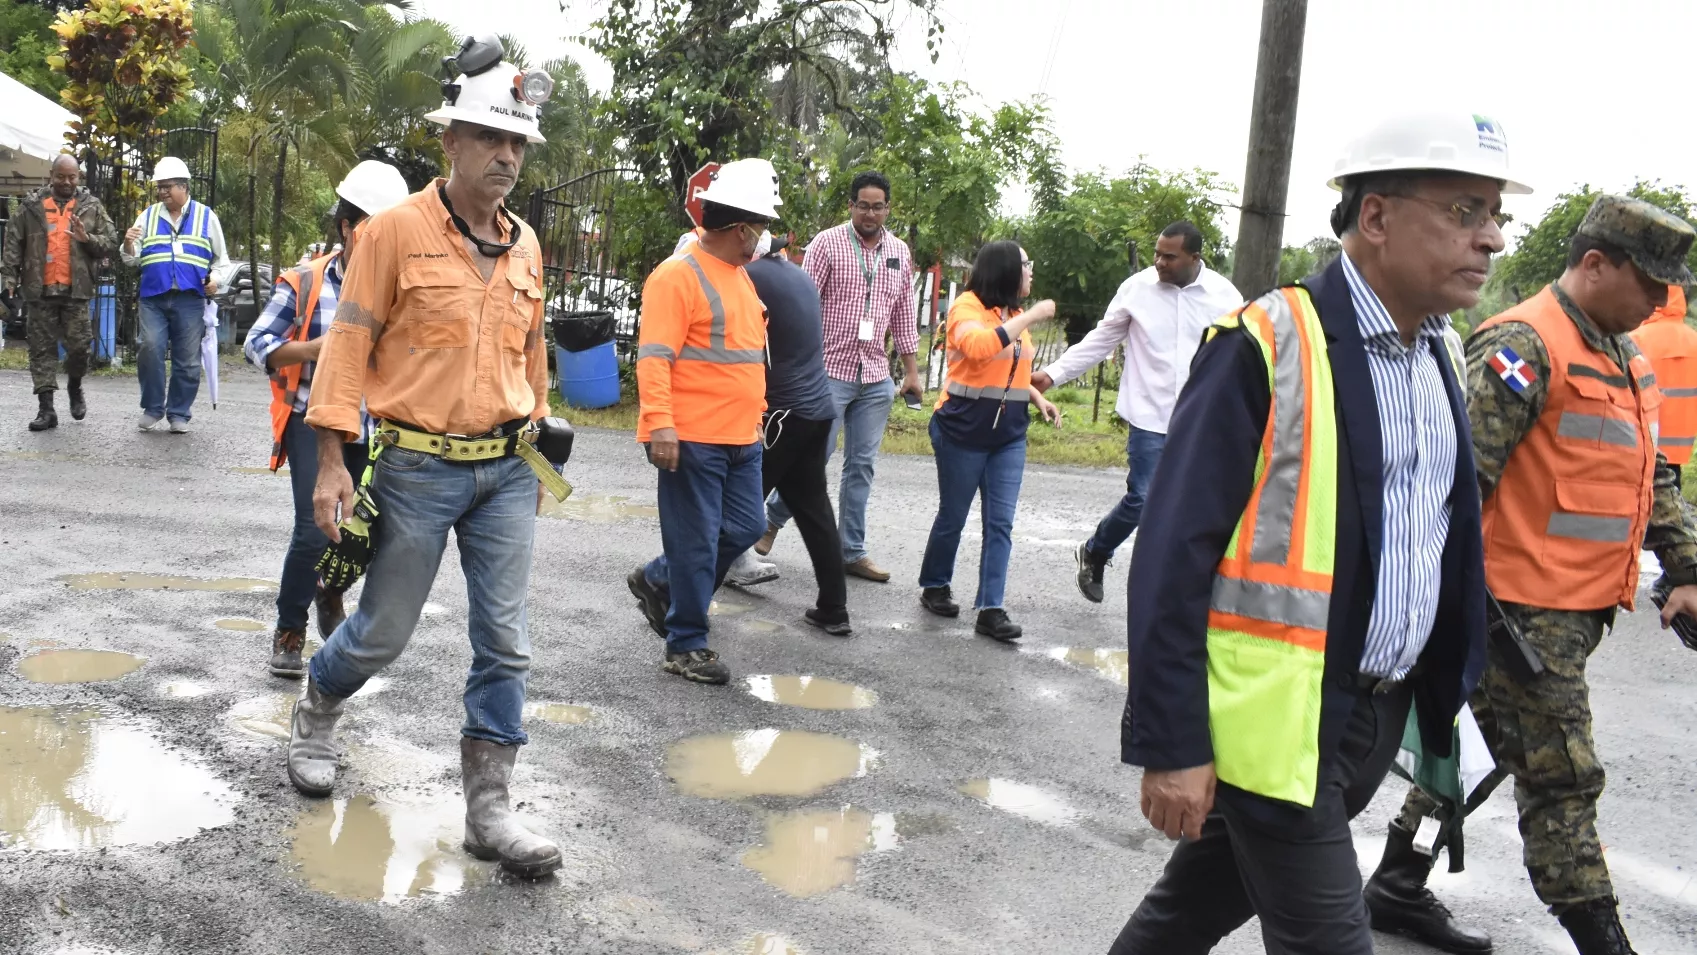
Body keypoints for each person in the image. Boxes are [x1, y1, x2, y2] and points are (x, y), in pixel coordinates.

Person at [1108, 109, 1520, 955]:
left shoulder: (1438, 355)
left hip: (1367, 718)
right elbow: (1171, 555)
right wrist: (1173, 742)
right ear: (1374, 217)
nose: (1491, 239)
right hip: (1276, 728)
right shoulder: (1265, 343)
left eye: (1494, 215)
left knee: (1180, 920)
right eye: (1463, 211)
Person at [1364, 197, 1697, 955]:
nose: (1659, 299)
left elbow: (1655, 476)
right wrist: (1432, 608)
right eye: (1648, 282)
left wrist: (1686, 566)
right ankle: (1603, 941)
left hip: (1575, 609)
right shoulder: (1522, 346)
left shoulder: (1624, 355)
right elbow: (1452, 487)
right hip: (1515, 614)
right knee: (1562, 778)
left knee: (1486, 748)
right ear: (1594, 265)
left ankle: (1395, 880)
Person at [287, 35, 567, 879]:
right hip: (414, 467)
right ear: (449, 141)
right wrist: (333, 460)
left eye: (516, 142)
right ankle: (318, 708)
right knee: (383, 632)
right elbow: (346, 346)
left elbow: (531, 349)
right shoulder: (394, 233)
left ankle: (489, 808)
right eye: (490, 138)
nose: (506, 156)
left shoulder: (524, 244)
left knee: (506, 641)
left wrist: (541, 420)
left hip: (507, 472)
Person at [633, 229, 853, 637]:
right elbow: (663, 353)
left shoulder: (745, 276)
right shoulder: (791, 276)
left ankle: (666, 585)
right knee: (803, 511)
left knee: (731, 524)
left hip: (766, 420)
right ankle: (831, 607)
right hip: (802, 413)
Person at [243, 159, 411, 680]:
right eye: (373, 228)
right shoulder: (305, 281)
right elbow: (257, 344)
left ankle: (329, 589)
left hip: (374, 426)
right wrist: (316, 348)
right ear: (346, 227)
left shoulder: (404, 287)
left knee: (369, 531)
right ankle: (289, 630)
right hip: (312, 419)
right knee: (314, 529)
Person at [1030, 221, 1241, 603]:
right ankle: (1097, 549)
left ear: (1195, 257)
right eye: (1157, 253)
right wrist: (1053, 374)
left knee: (1195, 505)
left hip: (1201, 419)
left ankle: (1180, 588)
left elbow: (1243, 353)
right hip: (1148, 413)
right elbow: (1101, 339)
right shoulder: (1137, 289)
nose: (1158, 261)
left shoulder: (1225, 297)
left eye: (1169, 256)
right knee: (1144, 497)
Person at [625, 158, 777, 685]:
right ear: (741, 229)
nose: (764, 237)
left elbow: (746, 357)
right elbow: (654, 356)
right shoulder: (678, 275)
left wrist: (755, 417)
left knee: (747, 526)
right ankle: (686, 643)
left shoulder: (740, 279)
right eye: (760, 226)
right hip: (691, 437)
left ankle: (660, 579)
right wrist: (659, 424)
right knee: (695, 543)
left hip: (740, 436)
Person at [755, 170, 919, 583]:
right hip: (829, 371)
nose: (869, 213)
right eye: (862, 205)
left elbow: (902, 313)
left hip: (876, 374)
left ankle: (852, 551)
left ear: (887, 208)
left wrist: (912, 371)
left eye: (877, 206)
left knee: (861, 466)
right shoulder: (828, 243)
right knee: (813, 458)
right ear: (851, 206)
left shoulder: (899, 251)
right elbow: (803, 304)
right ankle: (770, 523)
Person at [917, 240, 1062, 641]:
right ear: (1005, 270)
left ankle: (990, 608)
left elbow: (1011, 368)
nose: (1031, 272)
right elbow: (979, 349)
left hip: (1009, 434)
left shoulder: (1013, 314)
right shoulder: (966, 307)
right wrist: (1032, 315)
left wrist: (1036, 396)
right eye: (1025, 265)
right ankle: (934, 584)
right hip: (961, 429)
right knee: (954, 516)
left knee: (1001, 523)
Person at [1, 154, 118, 431]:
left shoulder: (92, 207)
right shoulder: (31, 207)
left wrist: (86, 238)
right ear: (51, 175)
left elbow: (111, 242)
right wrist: (9, 277)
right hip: (38, 290)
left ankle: (75, 386)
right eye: (61, 176)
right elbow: (13, 243)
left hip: (76, 291)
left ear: (79, 178)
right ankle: (46, 410)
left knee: (79, 348)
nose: (66, 182)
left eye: (72, 177)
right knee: (41, 351)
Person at [120, 155, 230, 433]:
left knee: (188, 359)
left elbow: (222, 261)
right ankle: (153, 408)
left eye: (167, 186)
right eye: (159, 187)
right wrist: (128, 244)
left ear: (184, 186)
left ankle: (179, 413)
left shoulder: (207, 216)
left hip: (189, 298)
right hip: (153, 297)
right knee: (150, 348)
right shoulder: (148, 215)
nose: (162, 192)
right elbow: (131, 260)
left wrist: (215, 280)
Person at [1630, 283, 1697, 484]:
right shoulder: (1693, 340)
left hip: (1643, 442)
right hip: (1679, 445)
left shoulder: (1635, 339)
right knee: (1671, 496)